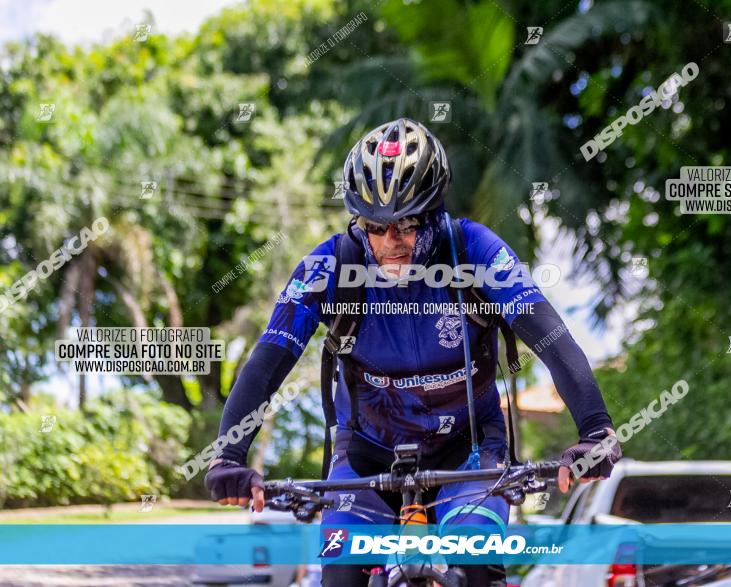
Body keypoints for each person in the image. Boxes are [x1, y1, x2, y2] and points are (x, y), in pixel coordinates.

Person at [204, 117, 622, 586]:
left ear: (435, 210)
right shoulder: (328, 266)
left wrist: (595, 429)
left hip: (467, 447)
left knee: (478, 566)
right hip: (366, 451)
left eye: (406, 225)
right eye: (375, 227)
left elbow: (553, 339)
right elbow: (270, 358)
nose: (390, 244)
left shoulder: (476, 252)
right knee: (341, 578)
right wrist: (229, 455)